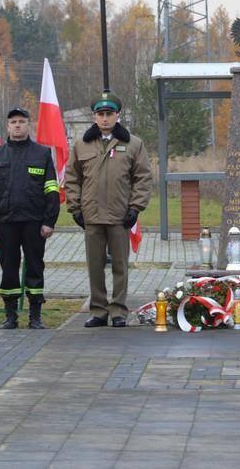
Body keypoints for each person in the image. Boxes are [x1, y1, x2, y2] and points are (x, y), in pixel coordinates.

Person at [65, 91, 153, 328]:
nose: (104, 118)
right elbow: (72, 178)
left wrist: (135, 207)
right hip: (91, 216)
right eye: (100, 114)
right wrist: (75, 208)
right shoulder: (81, 144)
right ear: (94, 117)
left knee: (119, 266)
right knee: (95, 265)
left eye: (109, 114)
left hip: (119, 215)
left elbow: (142, 178)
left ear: (117, 116)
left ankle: (118, 311)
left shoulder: (133, 143)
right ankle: (99, 310)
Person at [0, 107, 60, 329]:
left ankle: (35, 316)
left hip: (34, 223)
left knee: (35, 267)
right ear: (7, 126)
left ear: (28, 125)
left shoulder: (42, 154)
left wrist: (49, 221)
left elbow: (52, 191)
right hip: (6, 224)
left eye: (22, 121)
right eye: (13, 121)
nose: (17, 125)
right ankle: (10, 316)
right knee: (8, 268)